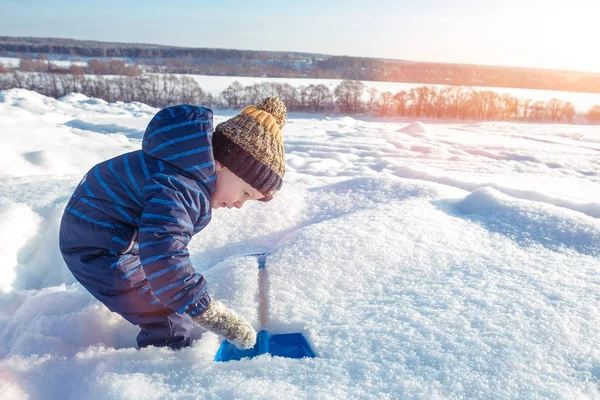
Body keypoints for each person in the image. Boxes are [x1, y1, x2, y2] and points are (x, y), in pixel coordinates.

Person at [59, 96, 287, 350]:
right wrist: (206, 310)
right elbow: (163, 253)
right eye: (245, 193)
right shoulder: (180, 188)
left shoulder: (184, 169)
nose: (239, 205)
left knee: (166, 286)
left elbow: (162, 246)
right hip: (97, 246)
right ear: (224, 165)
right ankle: (165, 369)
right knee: (167, 314)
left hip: (107, 233)